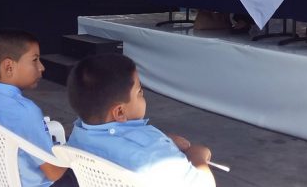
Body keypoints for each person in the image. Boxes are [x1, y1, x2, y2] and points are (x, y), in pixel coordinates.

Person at [67, 54, 215, 186]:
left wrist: (165, 141)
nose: (143, 94)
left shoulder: (79, 134)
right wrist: (198, 156)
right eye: (139, 92)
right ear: (120, 112)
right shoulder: (154, 152)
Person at [0, 30, 71, 186]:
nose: (41, 67)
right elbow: (54, 173)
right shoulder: (26, 111)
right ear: (9, 67)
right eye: (35, 60)